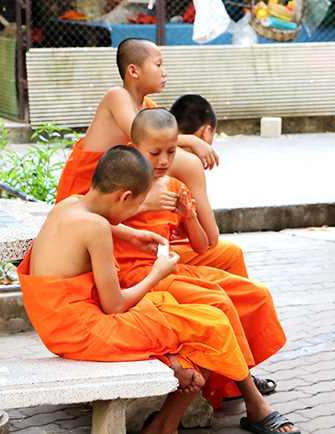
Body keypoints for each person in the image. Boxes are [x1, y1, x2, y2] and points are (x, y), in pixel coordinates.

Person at [18, 146, 250, 434]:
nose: (135, 213)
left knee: (170, 305)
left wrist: (130, 234)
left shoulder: (69, 204)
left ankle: (175, 376)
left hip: (58, 323)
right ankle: (168, 412)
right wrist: (157, 273)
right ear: (125, 196)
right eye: (136, 206)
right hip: (81, 332)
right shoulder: (95, 229)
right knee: (212, 324)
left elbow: (94, 222)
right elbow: (114, 306)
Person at [118, 108, 288, 416]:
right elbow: (91, 218)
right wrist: (142, 205)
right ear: (134, 147)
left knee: (255, 294)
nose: (163, 161)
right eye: (154, 153)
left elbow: (201, 243)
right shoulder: (121, 182)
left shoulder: (173, 186)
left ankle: (234, 378)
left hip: (169, 267)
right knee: (219, 303)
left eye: (171, 152)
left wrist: (190, 216)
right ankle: (251, 397)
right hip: (136, 276)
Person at [54, 39, 244, 278]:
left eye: (170, 152)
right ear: (133, 71)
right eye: (158, 65)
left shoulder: (148, 106)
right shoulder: (117, 97)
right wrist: (192, 141)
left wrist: (186, 217)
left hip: (127, 212)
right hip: (89, 203)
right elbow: (139, 134)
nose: (165, 73)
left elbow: (156, 136)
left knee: (230, 257)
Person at [166, 94, 249, 277]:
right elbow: (211, 236)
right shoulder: (186, 161)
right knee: (230, 253)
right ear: (206, 131)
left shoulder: (142, 143)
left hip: (142, 243)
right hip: (154, 251)